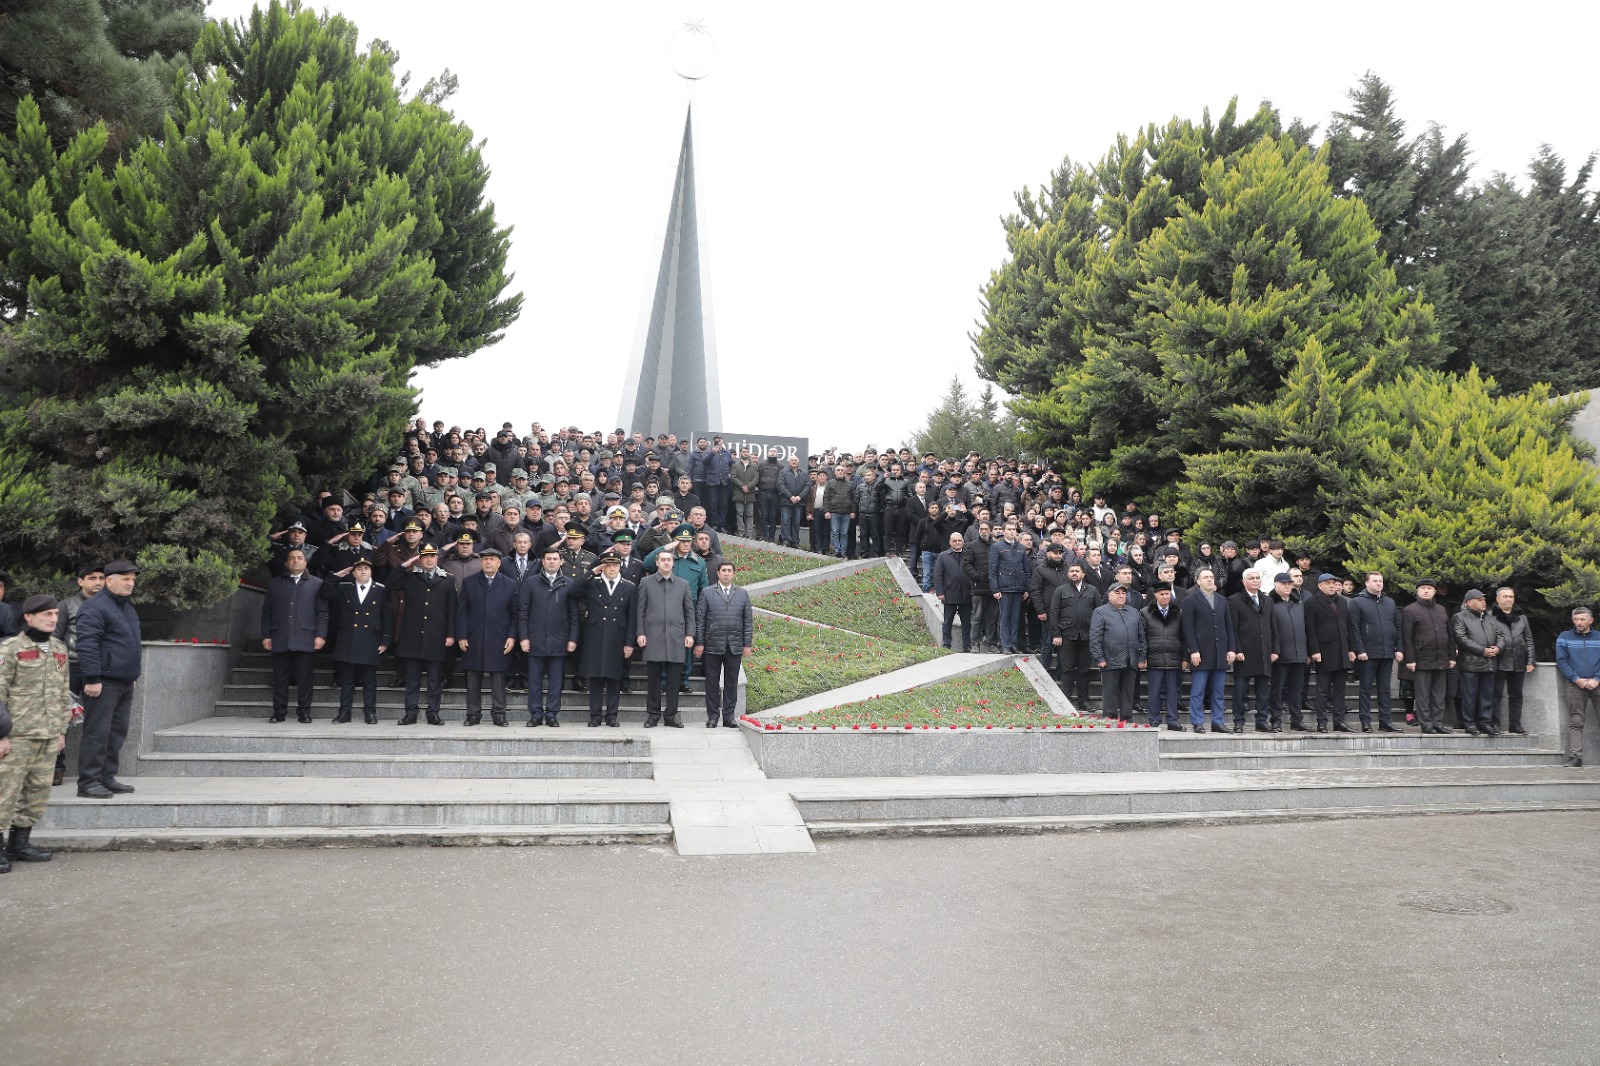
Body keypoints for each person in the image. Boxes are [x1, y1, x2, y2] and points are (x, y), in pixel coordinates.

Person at [0, 595, 75, 869]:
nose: (53, 619)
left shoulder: (59, 648)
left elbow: (63, 692)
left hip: (48, 734)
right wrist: (1, 736)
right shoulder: (10, 648)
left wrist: (61, 730)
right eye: (46, 614)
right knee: (5, 793)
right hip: (17, 736)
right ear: (28, 617)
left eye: (55, 614)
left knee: (36, 793)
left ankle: (19, 845)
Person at [75, 560, 142, 798]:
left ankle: (106, 777)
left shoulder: (127, 607)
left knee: (116, 733)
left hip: (124, 681)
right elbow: (87, 644)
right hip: (103, 682)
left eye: (132, 579)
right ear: (109, 581)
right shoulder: (95, 607)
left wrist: (132, 674)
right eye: (125, 579)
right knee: (97, 733)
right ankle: (88, 782)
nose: (130, 583)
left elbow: (130, 643)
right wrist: (92, 678)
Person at [260, 546, 328, 723]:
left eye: (299, 558)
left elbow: (322, 612)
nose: (295, 561)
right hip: (280, 636)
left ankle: (304, 712)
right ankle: (279, 711)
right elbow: (267, 612)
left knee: (305, 677)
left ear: (305, 562)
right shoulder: (275, 584)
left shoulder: (317, 583)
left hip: (306, 637)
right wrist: (266, 635)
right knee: (280, 677)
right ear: (286, 563)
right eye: (291, 558)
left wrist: (320, 635)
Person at [393, 544, 457, 726]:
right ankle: (411, 712)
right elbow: (390, 585)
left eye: (432, 556)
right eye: (425, 556)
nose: (429, 559)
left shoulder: (447, 580)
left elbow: (452, 610)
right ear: (420, 559)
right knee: (412, 679)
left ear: (437, 558)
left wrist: (450, 634)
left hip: (436, 636)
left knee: (434, 680)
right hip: (412, 636)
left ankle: (433, 712)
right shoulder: (410, 576)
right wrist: (404, 565)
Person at [517, 544, 578, 727]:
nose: (552, 562)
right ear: (542, 562)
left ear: (561, 562)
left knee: (556, 681)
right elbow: (523, 612)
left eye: (555, 559)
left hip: (560, 639)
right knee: (534, 680)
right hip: (535, 638)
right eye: (548, 559)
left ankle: (552, 714)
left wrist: (573, 638)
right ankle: (536, 714)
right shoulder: (531, 582)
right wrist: (524, 637)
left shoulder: (569, 583)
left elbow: (574, 615)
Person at [456, 548, 518, 727]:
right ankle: (473, 714)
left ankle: (499, 714)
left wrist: (512, 636)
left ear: (499, 563)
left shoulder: (509, 584)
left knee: (498, 678)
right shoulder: (469, 582)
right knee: (473, 678)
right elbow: (462, 611)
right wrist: (461, 635)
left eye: (492, 559)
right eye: (485, 559)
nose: (488, 562)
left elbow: (515, 613)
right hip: (474, 637)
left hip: (499, 638)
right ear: (481, 562)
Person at [325, 556, 390, 724]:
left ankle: (370, 713)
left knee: (369, 681)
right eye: (359, 569)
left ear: (371, 571)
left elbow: (387, 616)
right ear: (353, 573)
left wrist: (385, 640)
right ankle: (344, 713)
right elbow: (325, 593)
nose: (363, 572)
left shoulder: (380, 590)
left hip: (370, 639)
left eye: (366, 568)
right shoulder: (345, 588)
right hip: (349, 639)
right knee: (347, 680)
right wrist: (336, 576)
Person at [635, 547, 695, 728]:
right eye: (663, 560)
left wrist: (690, 634)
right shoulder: (646, 582)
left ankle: (671, 716)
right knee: (653, 680)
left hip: (676, 637)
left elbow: (689, 612)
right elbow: (640, 611)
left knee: (674, 680)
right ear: (657, 562)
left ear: (673, 562)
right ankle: (653, 715)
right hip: (653, 636)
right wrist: (640, 632)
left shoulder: (683, 584)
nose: (666, 562)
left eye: (669, 560)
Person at [55, 562, 104, 784]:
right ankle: (56, 767)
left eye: (101, 578)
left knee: (97, 720)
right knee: (62, 718)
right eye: (92, 578)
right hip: (71, 668)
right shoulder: (66, 605)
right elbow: (56, 638)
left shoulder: (109, 605)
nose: (98, 583)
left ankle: (94, 771)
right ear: (80, 581)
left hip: (99, 670)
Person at [577, 549, 637, 727]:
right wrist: (592, 572)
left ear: (620, 566)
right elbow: (573, 590)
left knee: (614, 678)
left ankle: (612, 715)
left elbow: (632, 617)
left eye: (615, 565)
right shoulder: (592, 583)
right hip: (595, 636)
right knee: (595, 678)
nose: (611, 568)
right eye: (608, 565)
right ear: (602, 567)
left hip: (617, 637)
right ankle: (595, 715)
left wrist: (629, 642)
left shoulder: (629, 587)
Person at [695, 559, 754, 728]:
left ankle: (729, 717)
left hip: (734, 645)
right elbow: (700, 619)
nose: (726, 573)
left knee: (731, 683)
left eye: (729, 571)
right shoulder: (707, 592)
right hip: (712, 645)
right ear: (718, 573)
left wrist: (747, 644)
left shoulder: (742, 593)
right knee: (712, 682)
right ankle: (713, 717)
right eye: (723, 570)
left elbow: (747, 621)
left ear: (733, 574)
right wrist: (699, 643)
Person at [1180, 568, 1237, 732]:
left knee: (1219, 691)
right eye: (1205, 577)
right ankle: (1197, 722)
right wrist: (1193, 650)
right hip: (1201, 653)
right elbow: (1188, 628)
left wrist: (1231, 648)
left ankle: (1217, 722)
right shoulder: (1190, 600)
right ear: (1198, 581)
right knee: (1198, 691)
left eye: (1211, 577)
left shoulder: (1221, 600)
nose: (1210, 580)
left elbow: (1228, 626)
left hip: (1220, 652)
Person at [1349, 571, 1405, 732]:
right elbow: (1354, 628)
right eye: (1375, 581)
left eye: (1380, 581)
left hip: (1387, 652)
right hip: (1367, 653)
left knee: (1385, 689)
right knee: (1365, 688)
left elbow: (1397, 627)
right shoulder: (1357, 602)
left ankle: (1385, 721)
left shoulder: (1390, 602)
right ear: (1367, 583)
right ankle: (1365, 721)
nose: (1378, 583)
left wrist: (1399, 648)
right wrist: (1360, 650)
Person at [1401, 578, 1455, 735]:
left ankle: (1438, 723)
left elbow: (1449, 634)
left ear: (1434, 591)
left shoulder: (1441, 609)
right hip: (1422, 659)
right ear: (1417, 591)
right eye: (1423, 588)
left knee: (1439, 694)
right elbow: (1407, 637)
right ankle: (1426, 724)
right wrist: (1410, 660)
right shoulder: (1410, 610)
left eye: (1429, 588)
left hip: (1441, 658)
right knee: (1423, 695)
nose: (1426, 591)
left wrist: (1452, 656)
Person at [1452, 589, 1508, 737]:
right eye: (1479, 599)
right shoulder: (1460, 617)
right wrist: (1482, 650)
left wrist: (1498, 647)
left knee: (1487, 695)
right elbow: (1461, 638)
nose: (1483, 602)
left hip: (1490, 663)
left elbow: (1500, 635)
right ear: (1468, 602)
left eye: (1484, 599)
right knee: (1469, 695)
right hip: (1470, 664)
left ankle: (1485, 722)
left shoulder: (1490, 618)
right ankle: (1469, 723)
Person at [1306, 572, 1357, 733]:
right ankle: (1321, 722)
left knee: (1340, 690)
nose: (1331, 586)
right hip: (1324, 651)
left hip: (1342, 651)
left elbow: (1347, 626)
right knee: (1322, 690)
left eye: (1333, 583)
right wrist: (1314, 650)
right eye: (1328, 583)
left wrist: (1351, 648)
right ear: (1320, 585)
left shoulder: (1342, 601)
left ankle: (1339, 721)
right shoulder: (1311, 602)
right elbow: (1310, 629)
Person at [1228, 570, 1277, 732]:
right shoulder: (1235, 600)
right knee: (1240, 690)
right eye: (1251, 578)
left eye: (1257, 578)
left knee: (1263, 690)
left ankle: (1262, 721)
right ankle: (1238, 721)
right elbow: (1233, 628)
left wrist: (1274, 649)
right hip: (1245, 652)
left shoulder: (1267, 600)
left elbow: (1273, 627)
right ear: (1244, 582)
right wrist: (1236, 649)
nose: (1255, 580)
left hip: (1264, 651)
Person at [1090, 583, 1146, 720]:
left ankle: (1127, 718)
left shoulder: (1133, 612)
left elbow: (1141, 636)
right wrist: (1099, 657)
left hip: (1131, 659)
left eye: (1123, 593)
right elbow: (1095, 637)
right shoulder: (1100, 612)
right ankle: (1110, 719)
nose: (1121, 596)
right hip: (1110, 659)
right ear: (1109, 595)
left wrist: (1142, 656)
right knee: (1110, 692)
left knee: (1128, 692)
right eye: (1117, 593)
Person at [1554, 606, 1600, 767]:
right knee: (1576, 721)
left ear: (1591, 620)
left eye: (1582, 619)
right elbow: (1561, 661)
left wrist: (1597, 678)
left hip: (1598, 684)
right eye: (1576, 619)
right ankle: (1576, 757)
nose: (1579, 622)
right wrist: (1576, 679)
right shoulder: (1564, 637)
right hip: (1575, 685)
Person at [1050, 563, 1100, 707]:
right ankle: (1066, 701)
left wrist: (1097, 635)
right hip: (1066, 636)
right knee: (1067, 669)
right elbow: (1054, 612)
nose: (1074, 573)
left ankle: (1084, 701)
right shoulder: (1061, 590)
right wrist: (1056, 634)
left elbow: (1099, 612)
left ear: (1083, 574)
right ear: (1068, 574)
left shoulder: (1092, 590)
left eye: (1077, 571)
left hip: (1087, 636)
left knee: (1084, 670)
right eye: (1071, 571)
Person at [1490, 586, 1536, 735]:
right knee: (1495, 695)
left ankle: (1515, 724)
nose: (1509, 599)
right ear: (1498, 599)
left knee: (1516, 695)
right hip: (1498, 661)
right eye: (1505, 596)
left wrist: (1530, 661)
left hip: (1518, 661)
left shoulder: (1522, 617)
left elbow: (1528, 639)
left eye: (1511, 596)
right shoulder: (1490, 616)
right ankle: (1495, 724)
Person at [1267, 572, 1310, 732]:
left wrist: (1307, 651)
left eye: (1289, 583)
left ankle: (1296, 719)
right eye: (1283, 583)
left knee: (1297, 690)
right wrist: (1273, 650)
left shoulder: (1298, 603)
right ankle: (1276, 720)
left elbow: (1305, 629)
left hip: (1299, 654)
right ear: (1275, 585)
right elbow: (1269, 630)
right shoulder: (1270, 603)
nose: (1287, 586)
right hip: (1280, 655)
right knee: (1277, 690)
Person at [1142, 584, 1185, 729]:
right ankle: (1154, 719)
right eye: (1162, 594)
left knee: (1173, 692)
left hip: (1173, 657)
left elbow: (1183, 636)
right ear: (1155, 595)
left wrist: (1184, 657)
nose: (1165, 597)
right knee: (1154, 692)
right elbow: (1142, 637)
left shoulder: (1178, 612)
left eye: (1167, 594)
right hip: (1154, 657)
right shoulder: (1145, 612)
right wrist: (1143, 656)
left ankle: (1173, 720)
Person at [989, 520, 1031, 654]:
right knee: (1005, 618)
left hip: (1018, 588)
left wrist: (1027, 588)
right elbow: (992, 570)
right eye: (1009, 529)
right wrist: (995, 589)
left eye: (1014, 529)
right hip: (1004, 588)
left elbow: (1026, 570)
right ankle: (1005, 645)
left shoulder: (1021, 548)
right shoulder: (997, 547)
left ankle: (1013, 644)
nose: (1012, 532)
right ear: (1003, 531)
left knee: (1015, 618)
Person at [930, 532, 974, 652]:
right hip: (950, 593)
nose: (957, 543)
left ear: (963, 542)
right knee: (948, 621)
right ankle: (946, 644)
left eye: (959, 540)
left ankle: (967, 645)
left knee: (966, 622)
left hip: (966, 594)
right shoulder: (943, 556)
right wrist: (940, 592)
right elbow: (938, 575)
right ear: (950, 542)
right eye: (955, 541)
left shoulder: (968, 555)